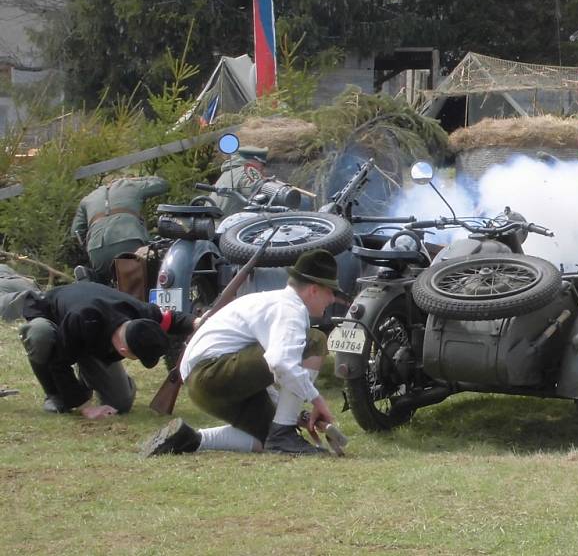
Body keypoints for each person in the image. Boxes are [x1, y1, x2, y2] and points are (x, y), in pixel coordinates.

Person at [141, 248, 340, 457]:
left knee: (267, 439)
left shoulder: (274, 302)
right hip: (211, 374)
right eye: (331, 291)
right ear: (314, 290)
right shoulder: (290, 310)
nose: (333, 299)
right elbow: (280, 363)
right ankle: (284, 433)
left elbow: (270, 367)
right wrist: (317, 400)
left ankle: (191, 439)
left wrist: (294, 413)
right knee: (315, 341)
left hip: (204, 381)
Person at [18, 281, 196, 419]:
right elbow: (59, 363)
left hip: (90, 339)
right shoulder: (82, 318)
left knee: (120, 403)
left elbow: (171, 319)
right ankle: (54, 395)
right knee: (40, 335)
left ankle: (85, 383)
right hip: (57, 321)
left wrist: (198, 322)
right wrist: (85, 407)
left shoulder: (140, 313)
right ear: (123, 349)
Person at [71, 176, 169, 283]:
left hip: (96, 248)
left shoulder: (87, 199)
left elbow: (76, 233)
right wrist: (133, 179)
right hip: (130, 240)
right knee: (141, 283)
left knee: (105, 282)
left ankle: (93, 279)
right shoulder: (130, 185)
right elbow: (162, 184)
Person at [213, 145, 270, 217]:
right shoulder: (247, 171)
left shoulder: (230, 172)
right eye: (262, 165)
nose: (263, 169)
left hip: (215, 223)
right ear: (254, 161)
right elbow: (258, 192)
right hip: (231, 225)